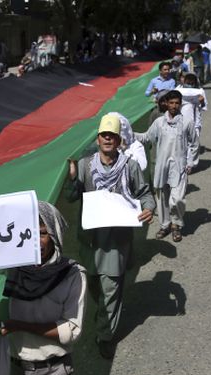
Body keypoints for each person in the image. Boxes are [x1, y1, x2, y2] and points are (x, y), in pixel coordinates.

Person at [67, 114, 155, 359]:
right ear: (98, 139)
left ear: (118, 141)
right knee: (94, 287)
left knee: (110, 291)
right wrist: (73, 177)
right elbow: (71, 196)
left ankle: (105, 335)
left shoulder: (129, 166)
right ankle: (106, 315)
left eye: (112, 136)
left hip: (117, 243)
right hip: (90, 242)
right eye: (104, 135)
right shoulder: (85, 165)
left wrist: (149, 208)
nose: (107, 139)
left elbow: (145, 193)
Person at [0, 190, 87, 375]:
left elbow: (72, 330)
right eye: (28, 232)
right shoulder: (14, 266)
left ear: (55, 235)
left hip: (52, 372)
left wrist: (20, 326)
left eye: (42, 233)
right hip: (16, 368)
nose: (35, 240)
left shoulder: (72, 274)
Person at [134, 90, 199, 243]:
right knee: (162, 197)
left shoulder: (187, 122)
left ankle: (176, 224)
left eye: (177, 103)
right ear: (166, 104)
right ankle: (165, 225)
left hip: (179, 166)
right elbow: (146, 137)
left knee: (176, 200)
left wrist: (191, 162)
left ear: (181, 104)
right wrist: (128, 133)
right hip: (162, 166)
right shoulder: (159, 123)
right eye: (171, 103)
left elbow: (194, 143)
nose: (174, 106)